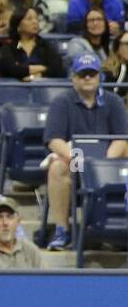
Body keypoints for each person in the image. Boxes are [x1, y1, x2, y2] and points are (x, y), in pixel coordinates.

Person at [43, 52, 128, 249]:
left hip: (108, 161)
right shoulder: (61, 102)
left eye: (92, 74)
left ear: (100, 77)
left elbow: (121, 139)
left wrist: (102, 165)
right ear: (73, 78)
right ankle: (62, 230)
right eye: (82, 74)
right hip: (74, 160)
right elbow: (54, 140)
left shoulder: (114, 101)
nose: (87, 78)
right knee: (57, 168)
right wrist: (79, 161)